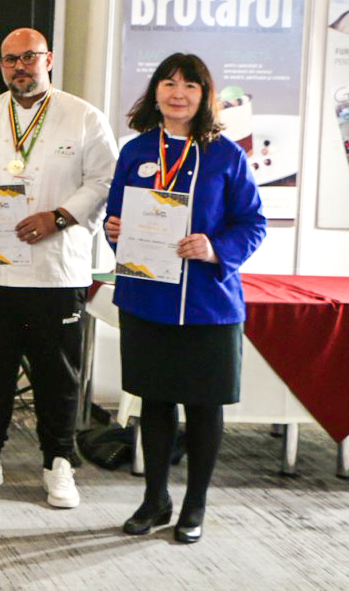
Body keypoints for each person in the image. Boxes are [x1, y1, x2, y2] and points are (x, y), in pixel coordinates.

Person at [0, 28, 117, 509]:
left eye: (29, 57)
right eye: (10, 59)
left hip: (56, 272)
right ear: (2, 65)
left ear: (47, 59)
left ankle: (59, 462)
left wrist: (59, 217)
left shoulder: (83, 116)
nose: (20, 67)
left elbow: (104, 180)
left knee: (58, 375)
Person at [104, 53, 265, 543]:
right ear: (155, 92)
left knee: (203, 407)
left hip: (207, 304)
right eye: (169, 83)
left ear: (204, 96)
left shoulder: (226, 155)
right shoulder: (135, 150)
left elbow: (253, 223)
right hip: (146, 299)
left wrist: (215, 249)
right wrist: (114, 231)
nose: (178, 93)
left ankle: (195, 505)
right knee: (154, 401)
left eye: (190, 85)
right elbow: (115, 217)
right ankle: (155, 499)